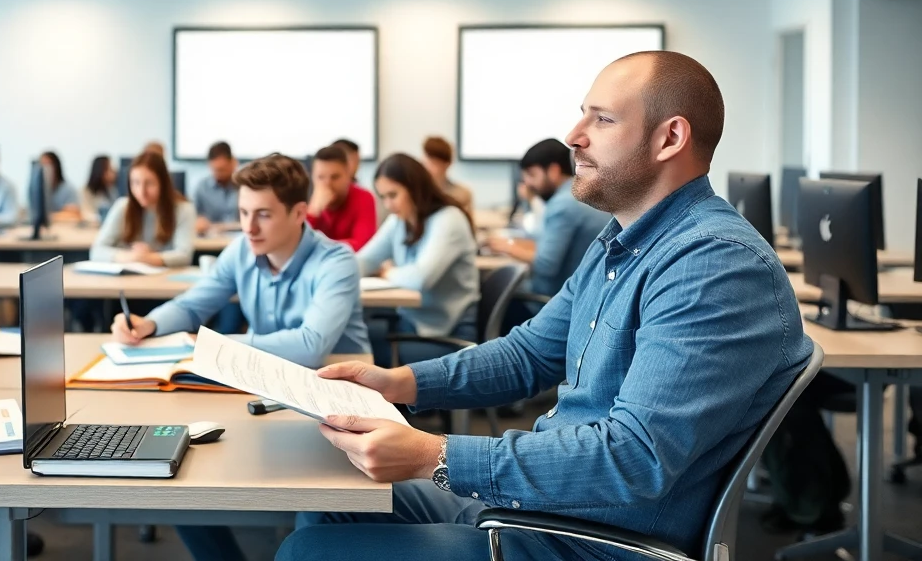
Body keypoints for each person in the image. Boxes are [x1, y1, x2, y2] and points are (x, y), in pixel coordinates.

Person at [277, 52, 814, 561]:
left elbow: (634, 458)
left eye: (601, 120)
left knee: (307, 552)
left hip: (589, 542)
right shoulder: (620, 240)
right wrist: (397, 383)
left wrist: (432, 455)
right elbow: (527, 355)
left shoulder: (714, 264)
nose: (573, 137)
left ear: (670, 137)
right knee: (329, 503)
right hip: (541, 511)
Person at [110, 154, 369, 561]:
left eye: (263, 215)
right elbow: (194, 303)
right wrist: (150, 324)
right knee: (179, 480)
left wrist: (220, 344)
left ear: (299, 212)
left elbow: (310, 344)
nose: (248, 227)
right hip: (264, 390)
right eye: (244, 212)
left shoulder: (336, 261)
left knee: (314, 519)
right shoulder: (243, 250)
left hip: (335, 400)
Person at [356, 153, 479, 365]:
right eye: (383, 197)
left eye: (393, 195)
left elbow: (420, 279)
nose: (388, 205)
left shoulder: (449, 219)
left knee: (359, 350)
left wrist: (387, 272)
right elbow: (364, 260)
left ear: (414, 188)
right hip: (413, 324)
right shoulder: (400, 221)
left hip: (447, 337)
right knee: (355, 337)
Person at [486, 139, 610, 315]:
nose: (527, 182)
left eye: (531, 174)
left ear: (553, 171)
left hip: (552, 305)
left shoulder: (563, 204)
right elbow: (545, 245)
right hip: (583, 298)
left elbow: (545, 265)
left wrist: (507, 246)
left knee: (489, 300)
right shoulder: (578, 195)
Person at [91, 151, 195, 268]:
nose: (141, 192)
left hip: (164, 282)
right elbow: (96, 251)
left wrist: (148, 258)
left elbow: (184, 256)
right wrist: (130, 257)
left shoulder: (184, 210)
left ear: (163, 184)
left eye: (149, 183)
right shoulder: (122, 206)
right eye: (135, 183)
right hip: (127, 280)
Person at [308, 145, 377, 251]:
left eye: (335, 177)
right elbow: (296, 245)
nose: (327, 184)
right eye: (320, 177)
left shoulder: (364, 198)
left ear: (348, 175)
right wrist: (313, 213)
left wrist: (316, 246)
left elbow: (364, 245)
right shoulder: (304, 200)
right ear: (312, 176)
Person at [420, 136, 474, 219]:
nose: (428, 167)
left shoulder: (461, 195)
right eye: (426, 161)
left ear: (447, 164)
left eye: (434, 163)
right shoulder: (416, 193)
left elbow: (468, 227)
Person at [193, 141, 238, 235]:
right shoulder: (202, 188)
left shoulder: (243, 186)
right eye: (215, 170)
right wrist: (198, 222)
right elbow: (194, 218)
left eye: (222, 169)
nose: (219, 174)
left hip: (239, 237)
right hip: (211, 240)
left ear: (232, 163)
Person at [39, 150, 81, 220]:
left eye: (48, 165)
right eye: (42, 166)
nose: (45, 169)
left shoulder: (68, 188)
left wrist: (49, 216)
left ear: (56, 167)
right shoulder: (37, 190)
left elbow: (74, 214)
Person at [80, 155, 118, 222]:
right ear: (101, 171)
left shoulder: (112, 190)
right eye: (110, 170)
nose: (114, 173)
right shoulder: (85, 191)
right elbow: (86, 214)